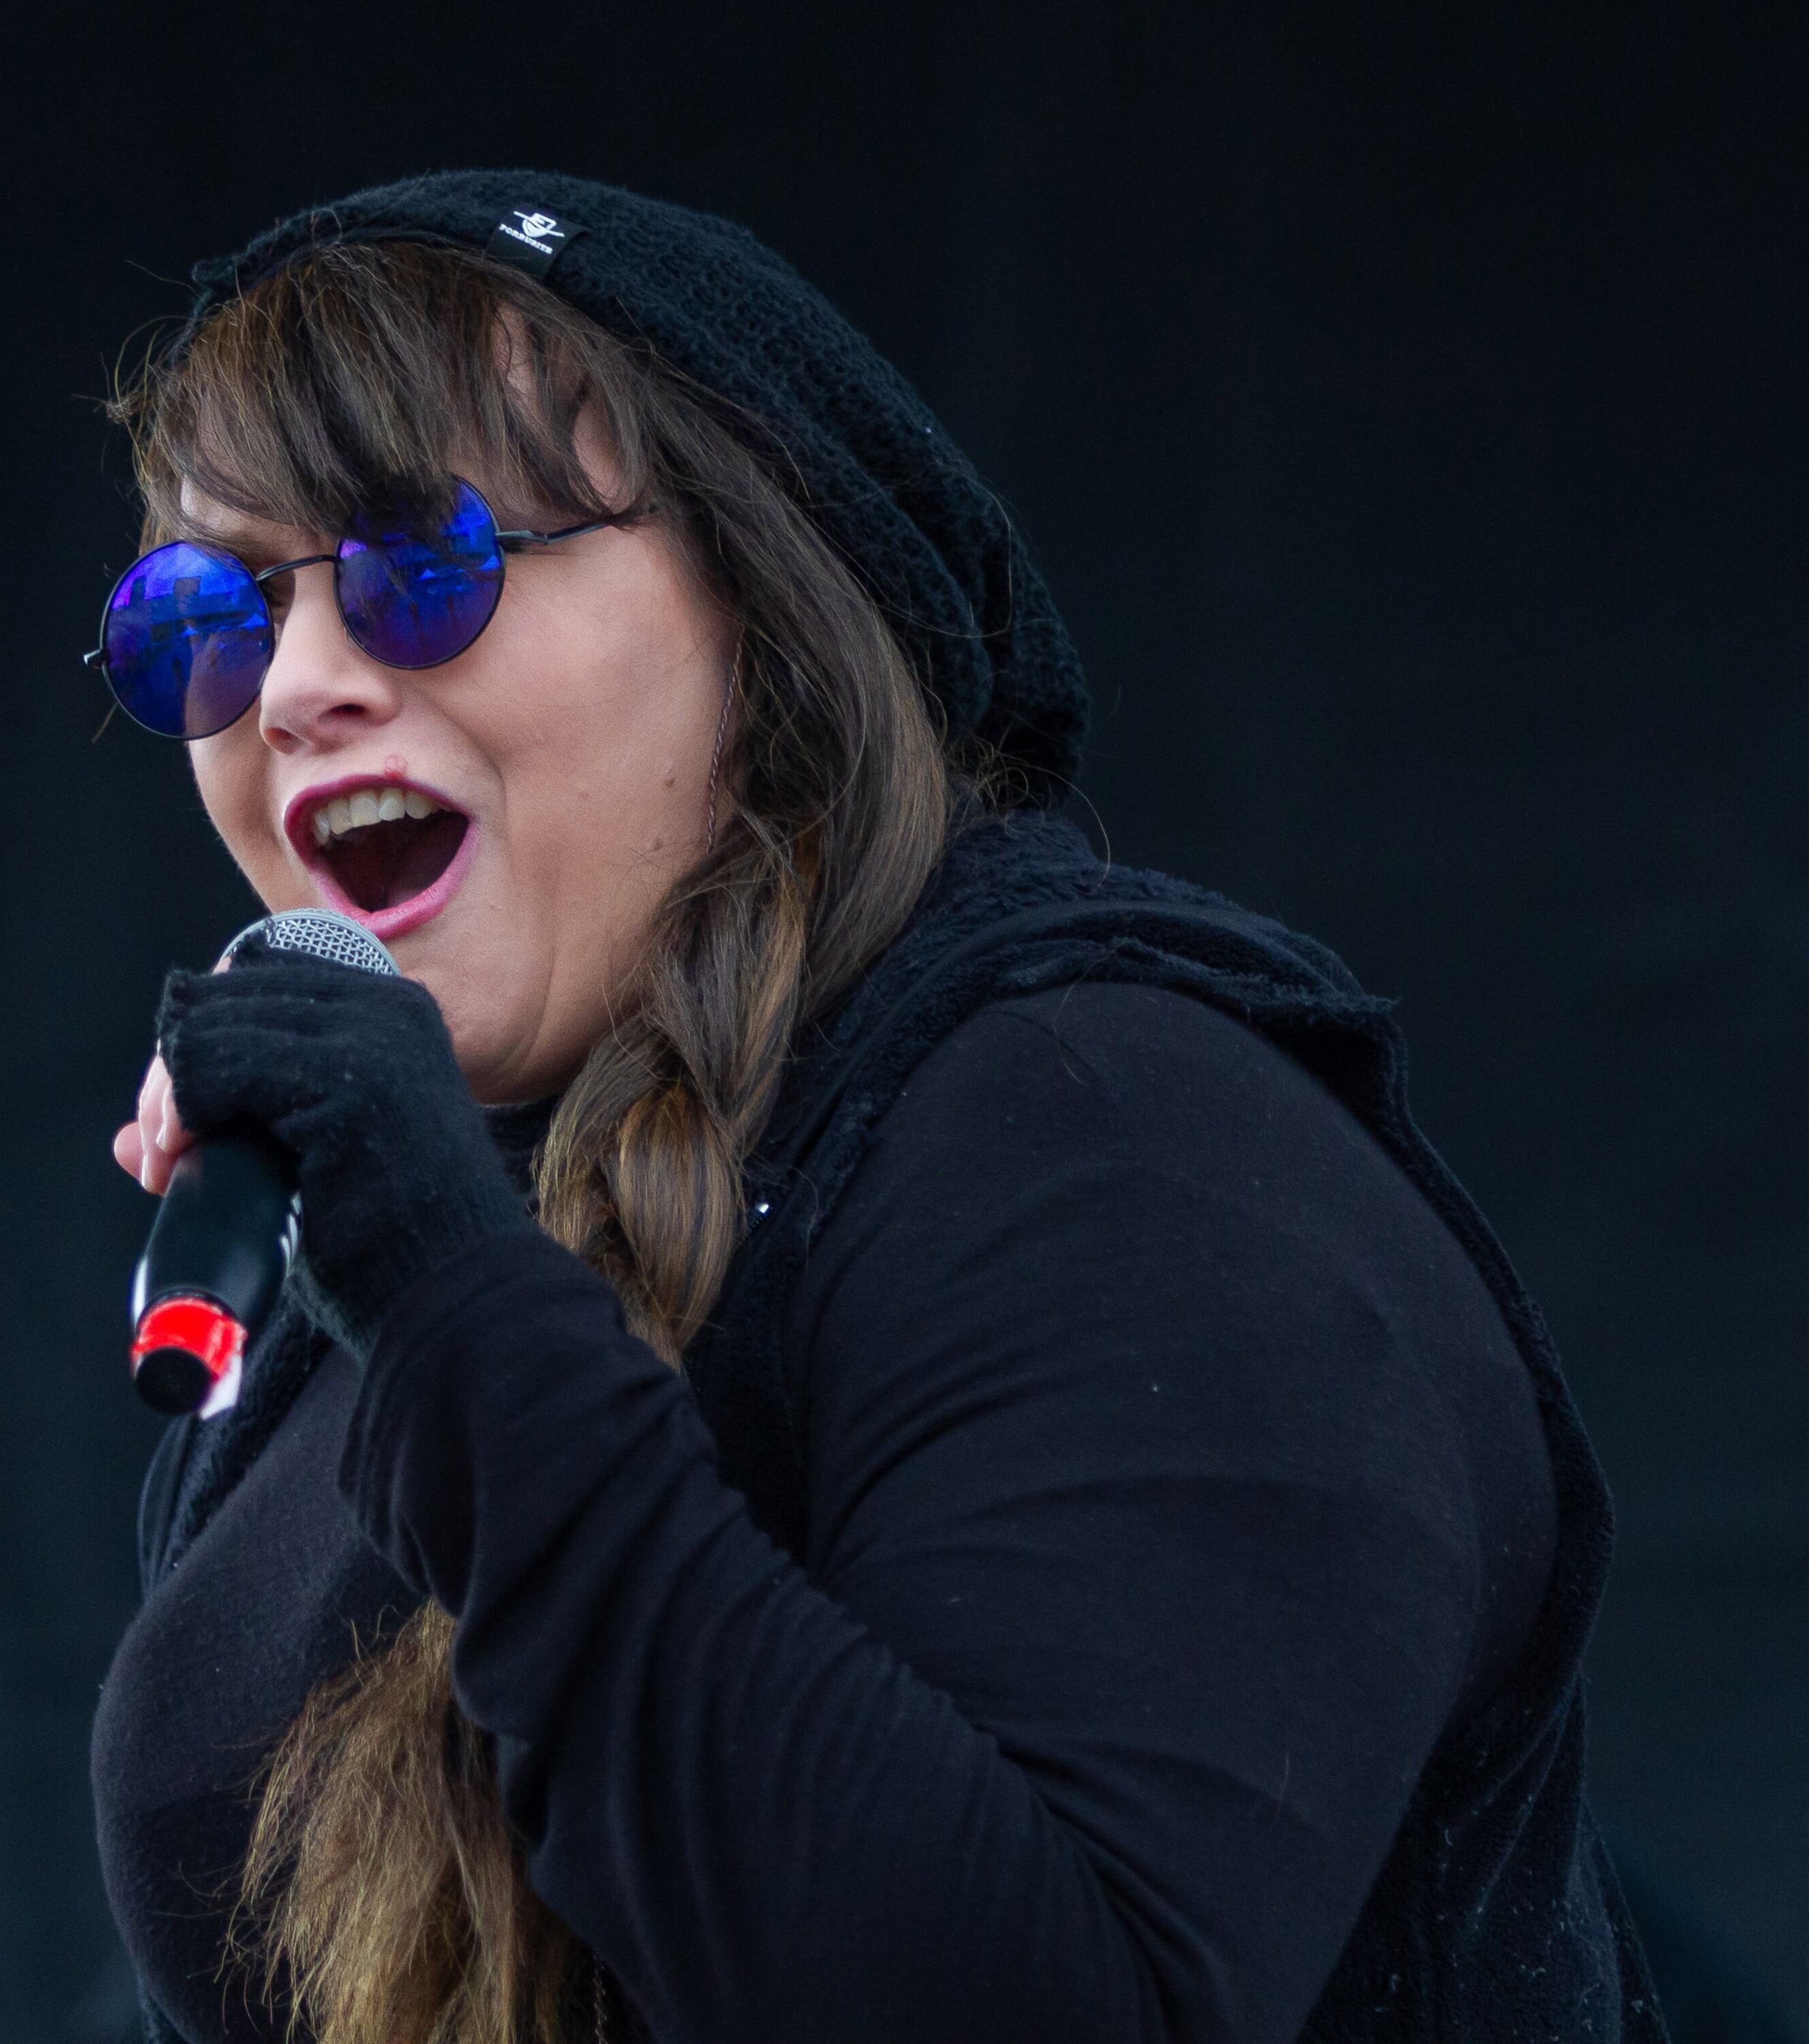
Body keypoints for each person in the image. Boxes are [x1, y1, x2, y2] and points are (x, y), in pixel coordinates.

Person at [86, 172, 1664, 2044]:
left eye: (427, 563)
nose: (303, 687)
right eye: (210, 615)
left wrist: (452, 1317)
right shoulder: (361, 1262)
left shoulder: (1115, 1142)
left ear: (763, 600)